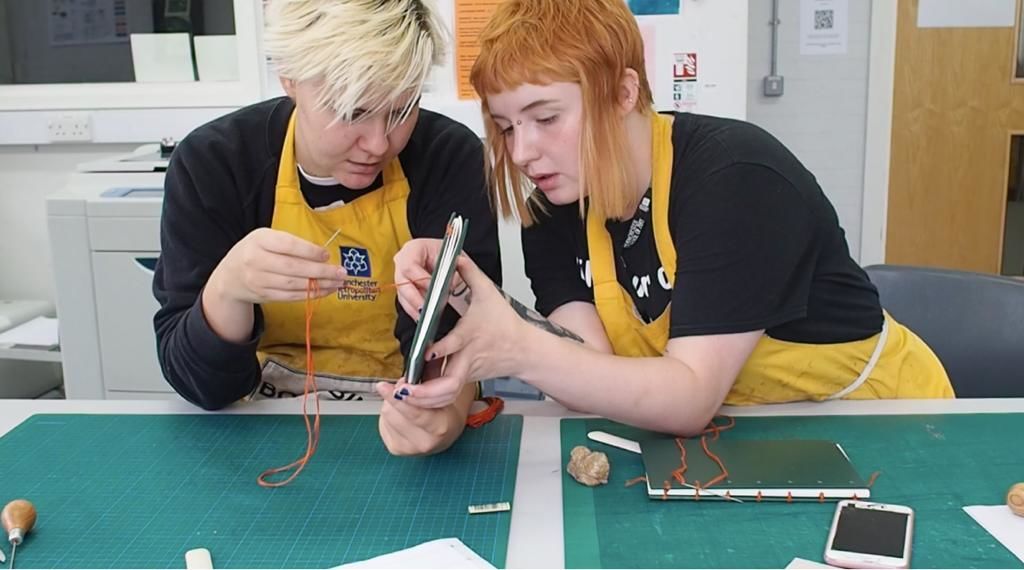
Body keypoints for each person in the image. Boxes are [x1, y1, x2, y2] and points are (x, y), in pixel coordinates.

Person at [390, 0, 954, 436]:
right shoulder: (553, 209)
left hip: (882, 424)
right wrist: (476, 298)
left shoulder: (736, 178)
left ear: (622, 93)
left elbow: (688, 396)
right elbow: (590, 371)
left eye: (546, 117)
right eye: (508, 127)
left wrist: (515, 346)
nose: (521, 153)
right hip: (740, 434)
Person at [152, 0, 501, 455]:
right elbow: (199, 386)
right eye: (353, 110)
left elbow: (465, 335)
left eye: (401, 110)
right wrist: (227, 291)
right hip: (259, 431)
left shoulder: (448, 157)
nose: (379, 144)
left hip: (401, 419)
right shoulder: (213, 164)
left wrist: (443, 414)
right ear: (290, 77)